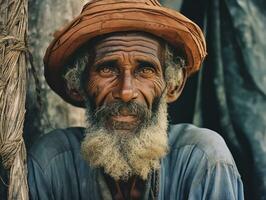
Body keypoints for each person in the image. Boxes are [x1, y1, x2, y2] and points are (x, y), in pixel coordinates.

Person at [27, 0, 244, 199]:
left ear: (173, 86)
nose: (126, 91)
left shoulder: (204, 160)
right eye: (107, 69)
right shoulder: (52, 163)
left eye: (145, 70)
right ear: (76, 85)